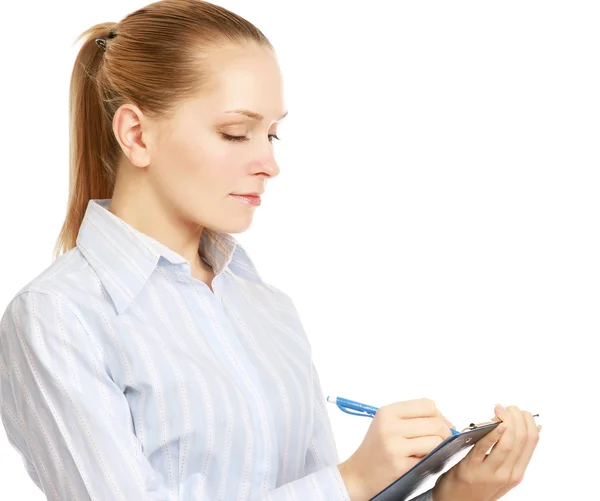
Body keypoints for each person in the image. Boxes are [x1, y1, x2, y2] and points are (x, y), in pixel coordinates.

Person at [0, 1, 541, 500]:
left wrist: (452, 494)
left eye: (273, 135)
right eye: (237, 133)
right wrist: (349, 480)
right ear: (137, 135)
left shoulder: (266, 307)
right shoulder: (58, 317)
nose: (269, 164)